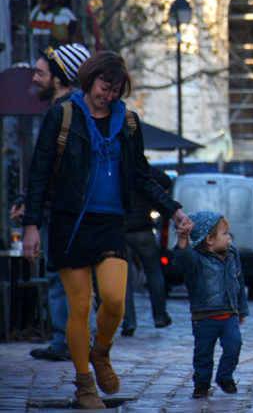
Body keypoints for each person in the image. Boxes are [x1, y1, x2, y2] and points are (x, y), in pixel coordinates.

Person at [21, 51, 193, 409]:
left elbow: (142, 176)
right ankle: (85, 385)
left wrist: (174, 211)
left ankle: (102, 352)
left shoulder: (128, 122)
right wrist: (32, 226)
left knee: (115, 300)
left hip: (112, 222)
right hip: (70, 224)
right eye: (104, 87)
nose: (108, 95)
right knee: (80, 307)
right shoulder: (62, 115)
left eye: (116, 90)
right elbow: (38, 173)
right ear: (90, 79)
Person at [10, 43, 91, 362]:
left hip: (66, 210)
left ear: (60, 79)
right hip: (57, 207)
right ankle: (71, 338)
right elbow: (45, 166)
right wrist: (27, 199)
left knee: (65, 275)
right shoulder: (61, 110)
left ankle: (67, 340)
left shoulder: (68, 112)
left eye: (41, 74)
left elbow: (56, 169)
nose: (35, 80)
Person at [174, 211, 248, 399]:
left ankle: (225, 376)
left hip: (229, 313)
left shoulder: (231, 255)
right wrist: (183, 239)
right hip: (204, 316)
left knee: (234, 344)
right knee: (203, 353)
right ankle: (202, 383)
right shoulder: (197, 260)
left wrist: (242, 309)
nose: (229, 237)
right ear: (209, 239)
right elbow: (183, 259)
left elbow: (238, 282)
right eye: (225, 234)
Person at [121, 165, 173, 336]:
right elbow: (166, 180)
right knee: (153, 271)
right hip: (143, 228)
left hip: (120, 229)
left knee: (124, 279)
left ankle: (128, 323)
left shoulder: (114, 166)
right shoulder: (142, 169)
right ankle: (159, 316)